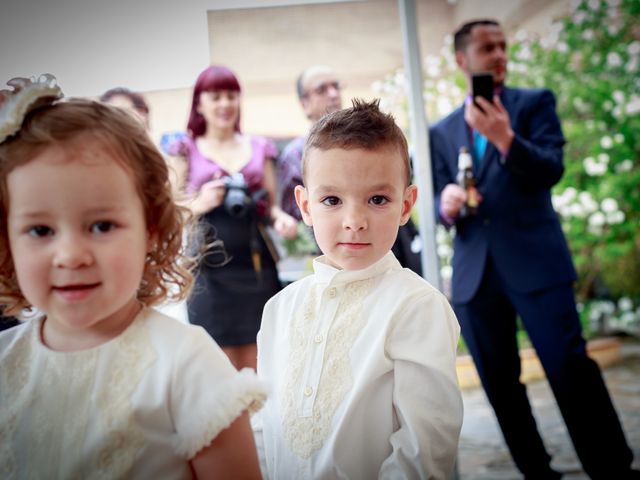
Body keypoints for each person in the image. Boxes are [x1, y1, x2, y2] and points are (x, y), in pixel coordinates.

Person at [0, 74, 264, 479]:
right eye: (40, 230)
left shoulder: (187, 363)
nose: (70, 255)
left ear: (151, 229)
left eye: (102, 225)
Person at [430, 20, 639, 479]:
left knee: (570, 369)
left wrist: (505, 138)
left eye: (503, 46)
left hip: (537, 264)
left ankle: (612, 468)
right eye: (488, 48)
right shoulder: (441, 130)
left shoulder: (534, 103)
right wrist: (444, 203)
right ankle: (537, 472)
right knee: (500, 384)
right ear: (462, 61)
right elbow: (429, 198)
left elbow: (551, 168)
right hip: (474, 272)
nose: (499, 54)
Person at [254, 99, 463, 478]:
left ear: (406, 204)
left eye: (377, 199)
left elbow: (425, 450)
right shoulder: (279, 310)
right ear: (304, 205)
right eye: (331, 200)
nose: (354, 221)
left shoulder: (417, 306)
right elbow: (268, 428)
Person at [168, 65, 298, 371]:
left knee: (262, 357)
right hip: (207, 272)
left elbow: (271, 205)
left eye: (231, 96)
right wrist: (201, 202)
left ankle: (261, 421)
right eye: (215, 97)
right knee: (218, 365)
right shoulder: (184, 148)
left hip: (255, 269)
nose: (225, 104)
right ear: (199, 103)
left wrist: (282, 220)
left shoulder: (258, 147)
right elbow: (169, 210)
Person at [279, 65, 422, 274]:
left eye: (336, 87)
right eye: (322, 89)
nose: (333, 94)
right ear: (304, 103)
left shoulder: (379, 143)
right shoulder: (295, 154)